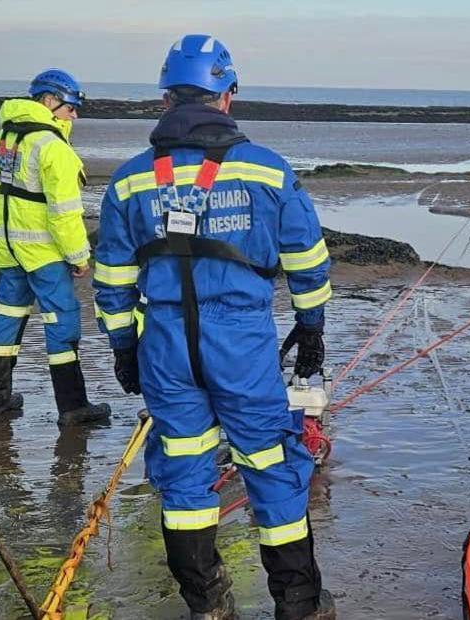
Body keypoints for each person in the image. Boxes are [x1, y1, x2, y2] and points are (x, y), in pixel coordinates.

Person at [92, 34, 335, 620]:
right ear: (227, 95)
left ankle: (207, 604)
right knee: (270, 465)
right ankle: (299, 605)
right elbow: (306, 258)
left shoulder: (128, 181)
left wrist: (125, 348)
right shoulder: (268, 171)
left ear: (166, 100)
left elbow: (112, 279)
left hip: (165, 345)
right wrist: (310, 328)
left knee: (183, 470)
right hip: (242, 343)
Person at [0, 69, 110, 425]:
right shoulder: (54, 149)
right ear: (50, 102)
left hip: (8, 250)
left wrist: (1, 241)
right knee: (62, 321)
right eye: (71, 107)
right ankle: (73, 406)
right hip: (45, 255)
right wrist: (79, 256)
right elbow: (64, 214)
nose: (75, 115)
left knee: (6, 319)